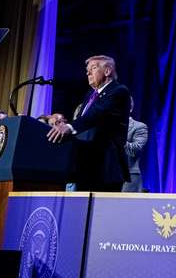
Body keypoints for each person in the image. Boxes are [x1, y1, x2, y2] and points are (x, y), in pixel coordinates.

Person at [47, 55, 132, 192]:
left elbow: (97, 114)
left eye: (93, 68)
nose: (88, 73)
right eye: (87, 70)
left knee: (101, 213)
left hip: (106, 168)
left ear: (107, 71)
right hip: (85, 165)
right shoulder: (90, 95)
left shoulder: (119, 91)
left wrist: (69, 127)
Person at [123, 99, 149, 193]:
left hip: (128, 177)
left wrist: (118, 138)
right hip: (105, 177)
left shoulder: (139, 127)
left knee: (124, 207)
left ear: (129, 109)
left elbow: (135, 150)